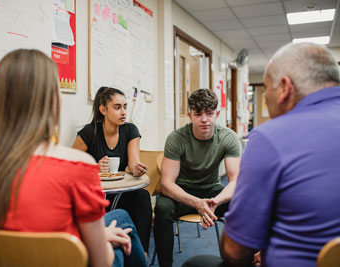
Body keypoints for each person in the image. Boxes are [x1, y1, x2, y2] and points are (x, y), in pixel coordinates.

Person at [0, 49, 147, 267]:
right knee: (122, 219)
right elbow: (102, 262)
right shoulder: (78, 166)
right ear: (51, 101)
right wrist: (98, 239)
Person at [183, 42, 340, 267]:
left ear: (284, 88)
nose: (265, 99)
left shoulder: (271, 137)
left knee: (197, 263)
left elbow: (235, 251)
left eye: (266, 89)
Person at [154, 89, 241, 267]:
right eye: (198, 114)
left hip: (213, 192)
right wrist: (196, 203)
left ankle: (237, 262)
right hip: (182, 193)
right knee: (162, 207)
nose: (204, 119)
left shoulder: (228, 137)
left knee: (242, 202)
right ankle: (165, 264)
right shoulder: (176, 138)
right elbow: (166, 184)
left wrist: (216, 201)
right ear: (190, 115)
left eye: (209, 114)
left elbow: (235, 182)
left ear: (216, 114)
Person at [72, 87, 152, 257]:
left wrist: (136, 168)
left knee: (142, 196)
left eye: (125, 106)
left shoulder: (130, 130)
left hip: (120, 192)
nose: (123, 112)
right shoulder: (89, 132)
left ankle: (143, 253)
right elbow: (71, 166)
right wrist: (94, 167)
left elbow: (132, 161)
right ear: (103, 110)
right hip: (96, 193)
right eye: (117, 107)